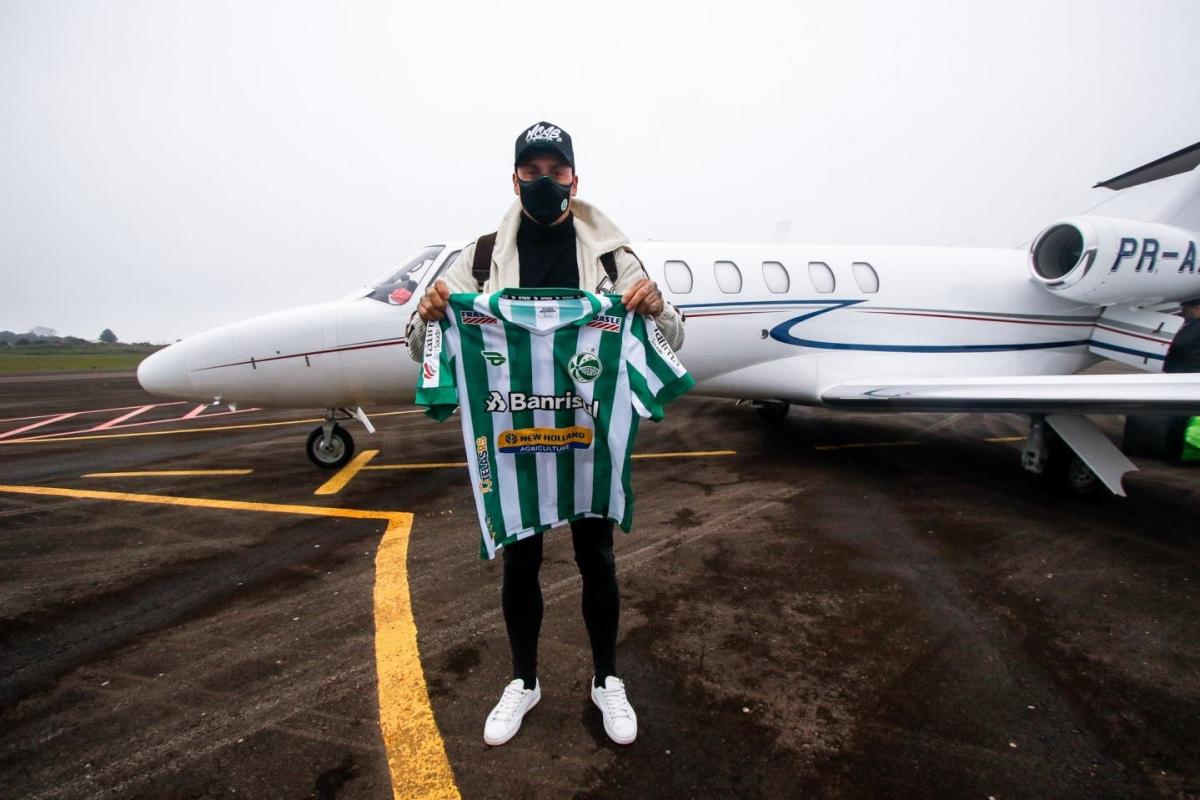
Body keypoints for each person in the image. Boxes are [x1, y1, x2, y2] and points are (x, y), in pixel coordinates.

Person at [406, 121, 685, 746]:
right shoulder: (479, 258)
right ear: (515, 180)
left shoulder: (613, 256)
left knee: (597, 557)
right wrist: (426, 316)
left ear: (574, 179)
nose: (544, 182)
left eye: (555, 171)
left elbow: (672, 336)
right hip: (515, 429)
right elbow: (421, 344)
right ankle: (523, 681)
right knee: (521, 558)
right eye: (531, 172)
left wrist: (656, 307)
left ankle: (607, 678)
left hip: (587, 429)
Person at [1163, 297, 1200, 374]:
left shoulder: (1196, 326)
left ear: (1197, 309)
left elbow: (1177, 343)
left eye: (1186, 309)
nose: (1183, 312)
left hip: (1185, 369)